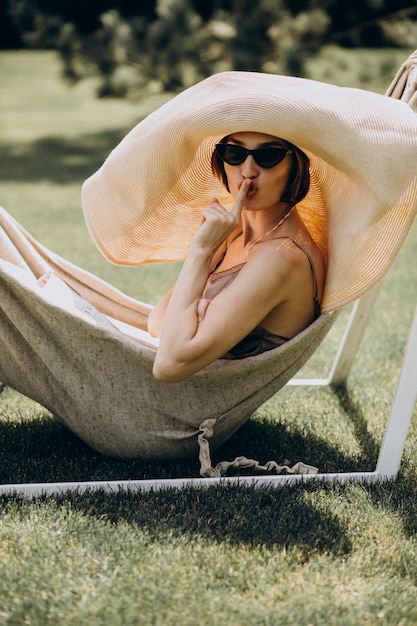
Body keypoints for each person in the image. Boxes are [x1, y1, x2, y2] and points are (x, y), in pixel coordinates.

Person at [148, 132, 325, 382]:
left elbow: (168, 365)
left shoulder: (282, 256)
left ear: (295, 165)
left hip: (194, 400)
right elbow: (156, 322)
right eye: (235, 154)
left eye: (268, 156)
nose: (248, 170)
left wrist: (200, 251)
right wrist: (206, 252)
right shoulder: (234, 232)